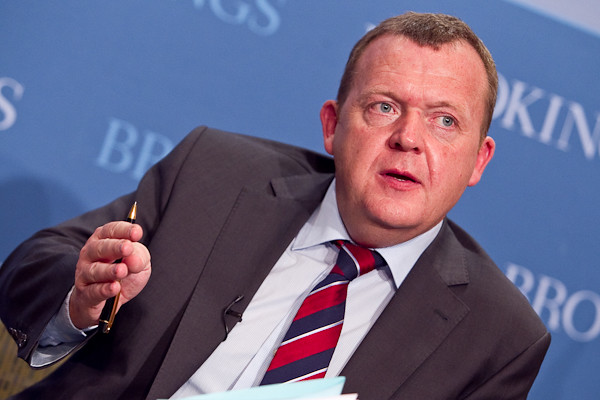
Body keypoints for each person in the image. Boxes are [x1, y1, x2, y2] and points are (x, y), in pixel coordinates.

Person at [0, 12, 550, 399]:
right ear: (332, 126)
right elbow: (38, 259)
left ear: (478, 160)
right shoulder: (215, 173)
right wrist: (82, 297)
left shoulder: (499, 338)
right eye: (384, 107)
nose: (409, 138)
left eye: (444, 120)